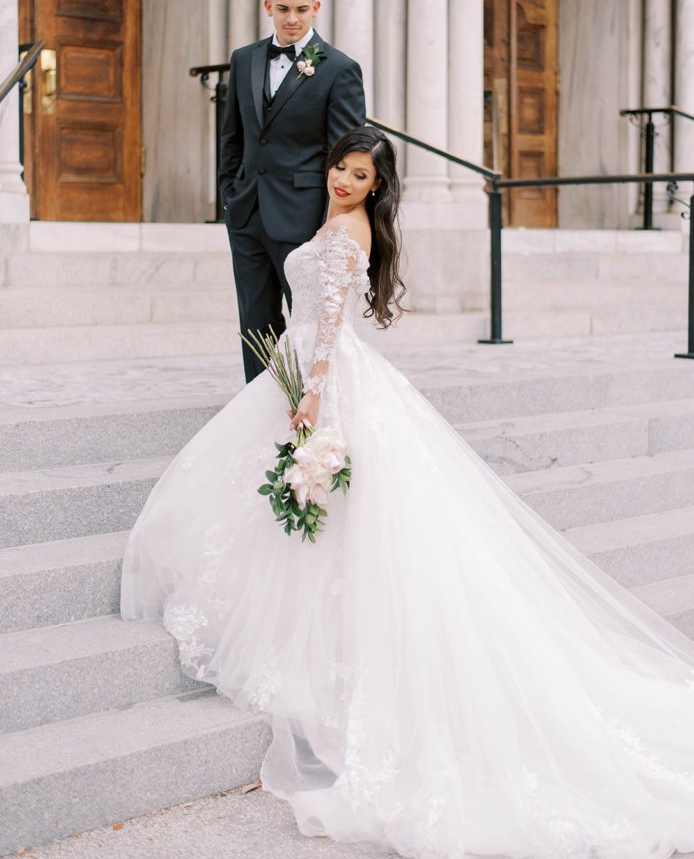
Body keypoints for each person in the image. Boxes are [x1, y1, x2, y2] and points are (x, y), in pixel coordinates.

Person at [122, 127, 694, 859]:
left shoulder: (347, 232)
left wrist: (313, 396)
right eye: (340, 167)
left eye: (359, 175)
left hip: (320, 375)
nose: (343, 180)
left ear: (376, 187)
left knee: (329, 508)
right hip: (315, 371)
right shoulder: (342, 220)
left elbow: (327, 321)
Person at [218, 0, 366, 383]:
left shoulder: (339, 69)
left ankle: (308, 419)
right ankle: (261, 414)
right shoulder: (244, 59)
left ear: (315, 7)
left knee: (308, 326)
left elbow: (348, 157)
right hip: (247, 213)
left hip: (304, 219)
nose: (292, 18)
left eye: (301, 9)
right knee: (255, 323)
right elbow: (232, 135)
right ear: (269, 6)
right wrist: (230, 195)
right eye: (283, 8)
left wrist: (332, 224)